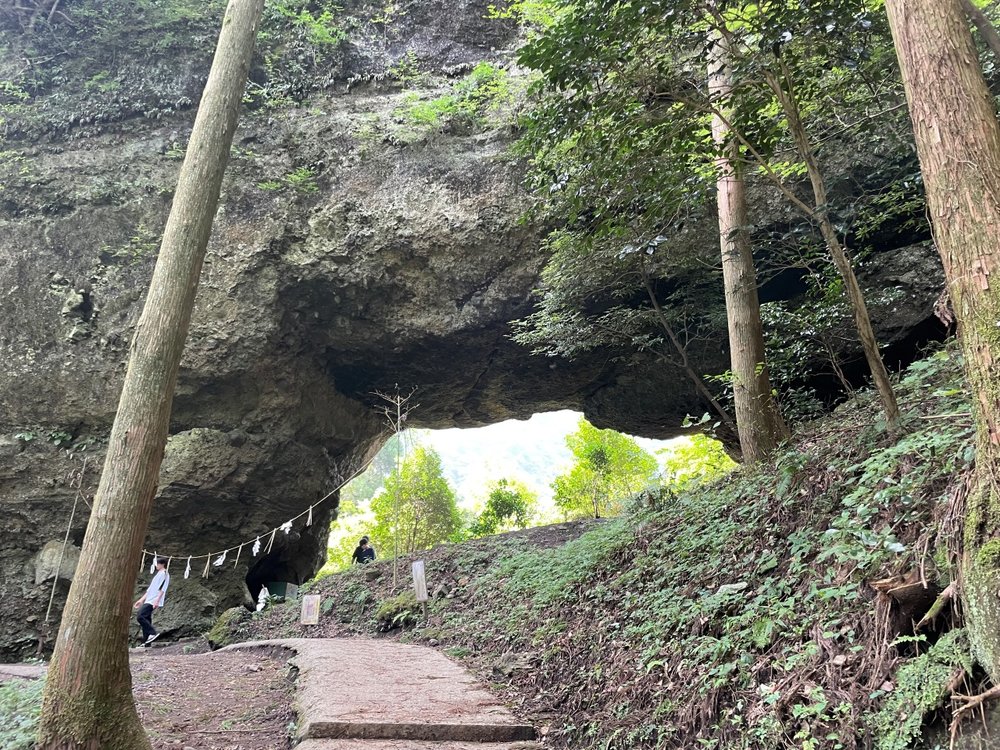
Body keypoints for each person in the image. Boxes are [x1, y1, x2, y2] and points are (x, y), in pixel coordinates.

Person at [134, 556, 170, 646]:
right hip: (149, 599)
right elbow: (150, 590)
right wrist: (141, 600)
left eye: (157, 564)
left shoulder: (165, 574)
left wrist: (157, 601)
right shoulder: (158, 574)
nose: (156, 566)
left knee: (140, 616)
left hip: (153, 600)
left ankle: (152, 633)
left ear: (162, 564)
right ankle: (146, 642)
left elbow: (162, 589)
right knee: (146, 619)